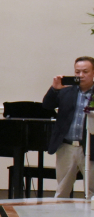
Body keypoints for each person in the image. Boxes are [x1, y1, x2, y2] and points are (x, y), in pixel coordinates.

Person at [43, 57, 94, 199]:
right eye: (77, 72)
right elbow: (47, 106)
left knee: (92, 191)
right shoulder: (66, 91)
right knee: (62, 189)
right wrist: (54, 89)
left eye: (85, 71)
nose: (81, 75)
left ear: (93, 72)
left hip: (90, 147)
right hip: (66, 146)